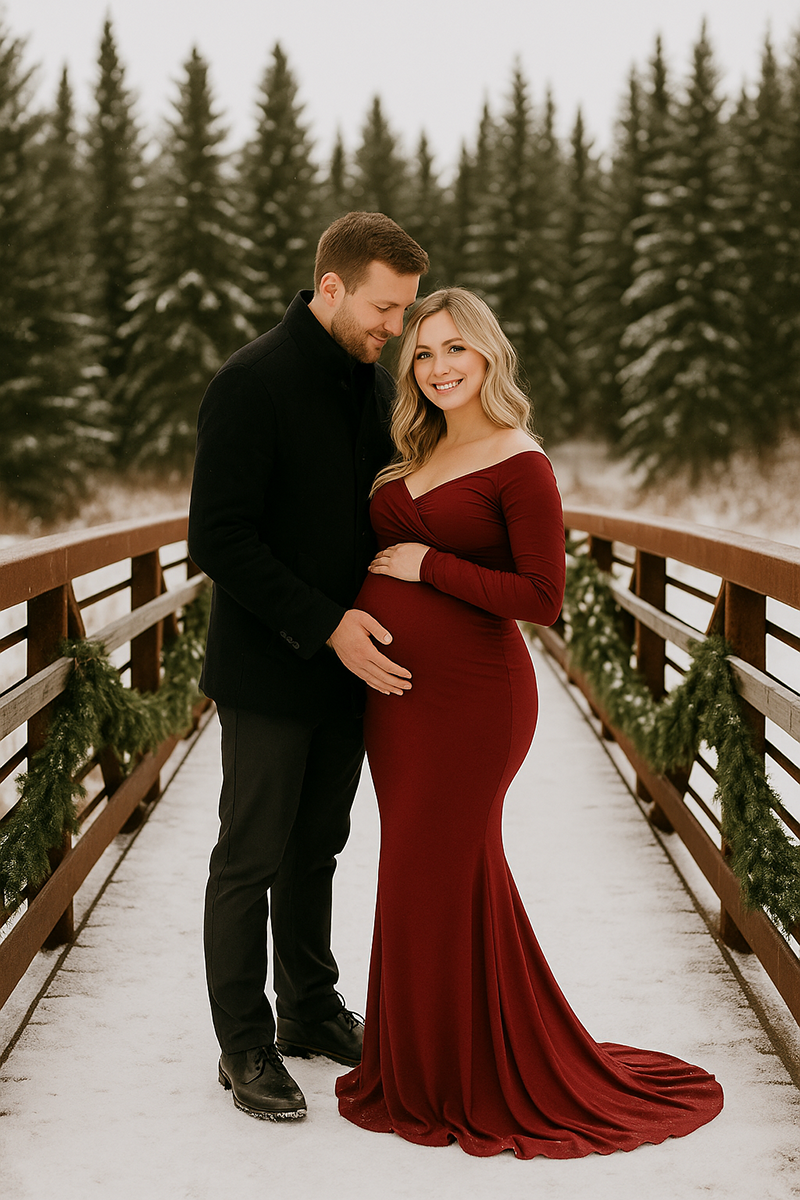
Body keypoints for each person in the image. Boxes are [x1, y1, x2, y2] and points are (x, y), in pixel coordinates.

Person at [335, 287, 724, 1158]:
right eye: (423, 354)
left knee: (441, 867)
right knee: (417, 869)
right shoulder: (414, 450)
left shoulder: (522, 462)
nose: (437, 368)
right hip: (396, 701)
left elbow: (543, 599)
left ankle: (465, 1073)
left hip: (475, 701)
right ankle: (420, 1063)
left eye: (454, 350)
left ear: (488, 356)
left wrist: (431, 565)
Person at [187, 212, 429, 1121]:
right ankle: (243, 1043)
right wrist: (326, 626)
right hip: (269, 665)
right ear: (330, 286)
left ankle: (310, 1007)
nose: (394, 329)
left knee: (318, 848)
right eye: (383, 307)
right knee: (249, 856)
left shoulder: (369, 383)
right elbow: (217, 536)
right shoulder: (250, 382)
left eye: (403, 311)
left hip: (349, 666)